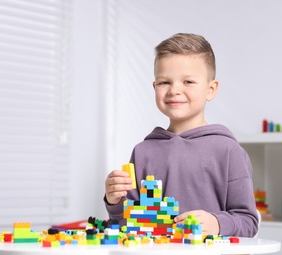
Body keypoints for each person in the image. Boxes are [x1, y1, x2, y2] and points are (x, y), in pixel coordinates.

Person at [104, 33, 258, 240]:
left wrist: (217, 223)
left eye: (188, 81)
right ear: (154, 87)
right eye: (164, 82)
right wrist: (114, 202)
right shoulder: (143, 152)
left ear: (210, 90)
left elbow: (248, 221)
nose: (174, 90)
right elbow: (126, 225)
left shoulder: (228, 150)